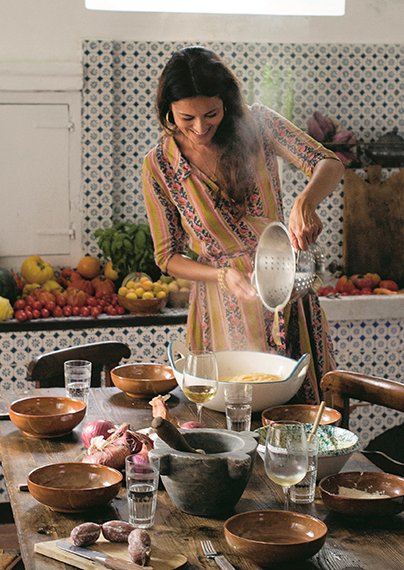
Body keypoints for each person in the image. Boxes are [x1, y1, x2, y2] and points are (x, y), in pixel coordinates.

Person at [142, 46, 344, 401]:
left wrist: (305, 202)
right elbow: (167, 256)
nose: (201, 127)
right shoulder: (160, 166)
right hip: (221, 310)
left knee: (304, 412)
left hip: (286, 290)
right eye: (187, 118)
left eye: (211, 113)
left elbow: (329, 163)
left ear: (226, 103)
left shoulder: (259, 126)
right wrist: (221, 275)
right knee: (232, 416)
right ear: (168, 111)